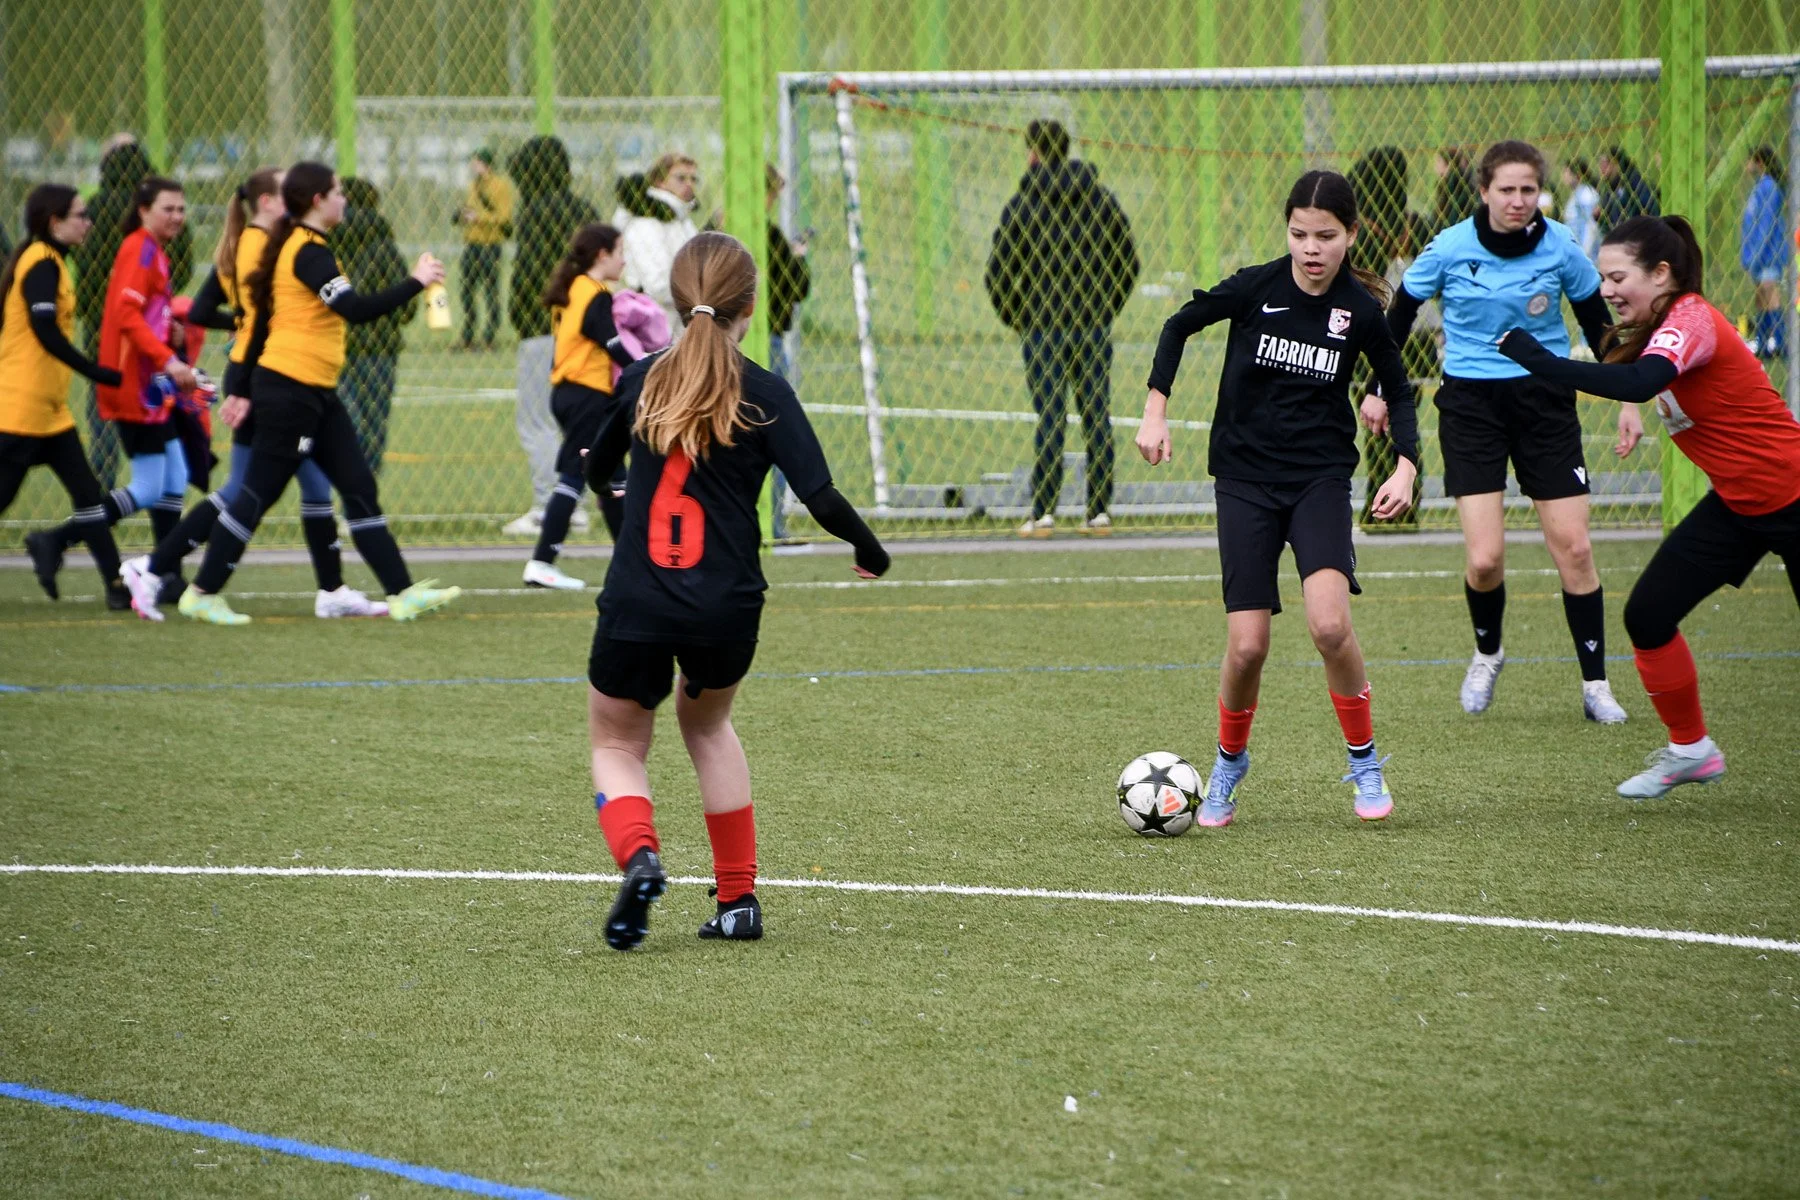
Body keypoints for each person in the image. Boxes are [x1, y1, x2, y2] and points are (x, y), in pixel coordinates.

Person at [582, 231, 890, 950]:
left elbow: (596, 464)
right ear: (749, 307)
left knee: (618, 740)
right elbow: (819, 494)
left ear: (675, 300)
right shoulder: (767, 392)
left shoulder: (643, 379)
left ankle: (641, 857)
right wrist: (869, 549)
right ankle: (737, 899)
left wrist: (612, 483)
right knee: (709, 727)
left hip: (638, 599)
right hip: (726, 606)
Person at [1139, 170, 1419, 826]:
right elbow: (1178, 326)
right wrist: (1155, 409)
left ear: (1352, 235)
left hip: (1319, 479)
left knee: (1330, 626)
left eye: (1326, 236)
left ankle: (1364, 762)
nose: (1311, 248)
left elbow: (1399, 388)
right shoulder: (1255, 288)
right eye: (1299, 234)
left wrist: (1405, 468)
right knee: (1248, 647)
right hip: (1243, 480)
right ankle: (1230, 761)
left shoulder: (1360, 311)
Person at [1496, 215, 1800, 798]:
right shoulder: (1659, 326)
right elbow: (1632, 371)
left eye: (1617, 278)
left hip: (1792, 494)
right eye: (1602, 278)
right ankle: (1691, 750)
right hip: (1739, 504)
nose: (1606, 290)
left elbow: (1640, 382)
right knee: (1649, 616)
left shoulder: (1691, 317)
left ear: (1661, 274)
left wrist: (1540, 359)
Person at [1387, 140, 1637, 724]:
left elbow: (1600, 330)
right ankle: (1488, 653)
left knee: (1575, 548)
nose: (1518, 200)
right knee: (1484, 560)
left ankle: (1596, 684)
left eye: (1528, 189)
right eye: (1507, 190)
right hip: (1470, 404)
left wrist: (1630, 398)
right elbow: (1398, 315)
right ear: (1484, 191)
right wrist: (1379, 385)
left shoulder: (1561, 246)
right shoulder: (1450, 246)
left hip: (1544, 401)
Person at [176, 161, 460, 626]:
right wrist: (417, 281)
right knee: (257, 494)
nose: (344, 200)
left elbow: (261, 323)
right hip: (289, 390)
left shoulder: (302, 245)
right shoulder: (306, 252)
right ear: (317, 201)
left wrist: (241, 387)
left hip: (317, 391)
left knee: (358, 485)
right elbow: (354, 309)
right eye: (338, 192)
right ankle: (202, 592)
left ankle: (402, 593)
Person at [122, 168, 387, 621]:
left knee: (310, 488)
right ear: (267, 201)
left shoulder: (246, 242)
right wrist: (245, 371)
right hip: (273, 380)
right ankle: (153, 567)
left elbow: (211, 311)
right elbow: (262, 315)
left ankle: (332, 590)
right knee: (244, 493)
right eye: (287, 192)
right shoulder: (267, 246)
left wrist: (243, 326)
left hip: (270, 377)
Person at [27, 177, 197, 599]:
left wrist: (169, 335)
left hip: (152, 385)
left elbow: (145, 314)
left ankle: (166, 574)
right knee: (150, 488)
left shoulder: (152, 249)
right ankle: (57, 540)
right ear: (143, 210)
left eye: (181, 208)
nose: (177, 216)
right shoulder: (140, 249)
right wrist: (168, 359)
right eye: (168, 208)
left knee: (176, 476)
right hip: (135, 387)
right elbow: (125, 314)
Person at [985, 119, 1139, 537]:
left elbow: (998, 271)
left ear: (1034, 153)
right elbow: (1128, 260)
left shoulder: (1022, 205)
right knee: (1096, 415)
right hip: (1091, 325)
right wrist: (1106, 306)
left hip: (1042, 327)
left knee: (1050, 416)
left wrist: (1019, 316)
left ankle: (1043, 513)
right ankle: (1098, 511)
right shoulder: (1100, 199)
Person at [0, 184, 128, 608]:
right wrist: (94, 371)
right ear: (55, 222)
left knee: (88, 494)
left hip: (51, 411)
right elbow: (44, 329)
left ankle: (116, 587)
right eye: (80, 215)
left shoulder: (53, 260)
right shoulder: (41, 262)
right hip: (21, 409)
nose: (88, 222)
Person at [523, 222, 660, 590]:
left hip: (572, 393)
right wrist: (648, 370)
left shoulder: (575, 287)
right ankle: (541, 561)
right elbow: (611, 343)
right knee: (576, 474)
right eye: (620, 252)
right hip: (586, 394)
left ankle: (634, 563)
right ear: (603, 255)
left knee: (614, 477)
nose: (624, 260)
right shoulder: (594, 293)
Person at [70, 136, 195, 487]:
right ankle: (157, 483)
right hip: (151, 324)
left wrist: (92, 305)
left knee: (104, 399)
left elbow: (85, 261)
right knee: (154, 395)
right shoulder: (161, 210)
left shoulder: (97, 207)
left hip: (103, 323)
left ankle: (105, 478)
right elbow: (183, 262)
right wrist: (160, 299)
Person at [505, 136, 600, 536]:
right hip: (586, 326)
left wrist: (519, 313)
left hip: (543, 326)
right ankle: (574, 502)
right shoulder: (584, 211)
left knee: (538, 420)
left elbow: (529, 273)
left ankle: (549, 505)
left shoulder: (535, 212)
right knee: (575, 421)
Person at [336, 176, 417, 471]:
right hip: (379, 346)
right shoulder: (385, 246)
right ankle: (364, 487)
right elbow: (406, 308)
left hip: (335, 344)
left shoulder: (323, 245)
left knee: (340, 420)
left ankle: (342, 479)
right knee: (373, 424)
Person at [614, 152, 701, 333]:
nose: (689, 184)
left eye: (693, 179)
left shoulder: (682, 220)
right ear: (660, 181)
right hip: (653, 330)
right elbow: (657, 284)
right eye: (681, 178)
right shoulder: (646, 222)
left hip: (679, 325)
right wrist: (699, 294)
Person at [453, 148, 512, 351]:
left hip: (491, 244)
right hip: (472, 244)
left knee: (490, 291)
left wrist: (479, 218)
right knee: (466, 290)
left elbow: (504, 217)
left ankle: (490, 335)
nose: (472, 166)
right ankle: (468, 334)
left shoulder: (500, 186)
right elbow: (470, 209)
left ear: (485, 164)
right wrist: (462, 215)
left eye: (476, 162)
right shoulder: (472, 186)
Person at [1740, 145, 1788, 360]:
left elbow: (1766, 224)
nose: (1747, 165)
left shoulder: (1768, 187)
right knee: (1761, 297)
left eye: (1750, 160)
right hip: (1758, 254)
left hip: (1767, 253)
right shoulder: (1760, 187)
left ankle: (1778, 339)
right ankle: (1763, 340)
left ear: (1759, 162)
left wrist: (1756, 254)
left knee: (1770, 294)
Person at [764, 163, 811, 381]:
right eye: (772, 195)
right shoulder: (771, 235)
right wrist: (799, 258)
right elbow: (798, 288)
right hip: (769, 332)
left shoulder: (717, 228)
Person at [1597, 146, 1658, 233]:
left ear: (1616, 164)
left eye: (1605, 164)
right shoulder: (1608, 191)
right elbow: (1606, 225)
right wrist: (1598, 218)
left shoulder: (1633, 180)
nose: (1601, 168)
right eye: (1600, 164)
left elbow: (1651, 206)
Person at [1561, 157, 1603, 262]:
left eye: (1567, 173)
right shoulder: (1576, 194)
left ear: (1577, 175)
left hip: (1587, 254)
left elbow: (1591, 225)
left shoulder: (1586, 194)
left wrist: (1585, 252)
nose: (1564, 176)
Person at [1431, 146, 1478, 232]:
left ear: (1449, 164)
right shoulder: (1463, 181)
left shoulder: (1451, 186)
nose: (1435, 166)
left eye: (1439, 161)